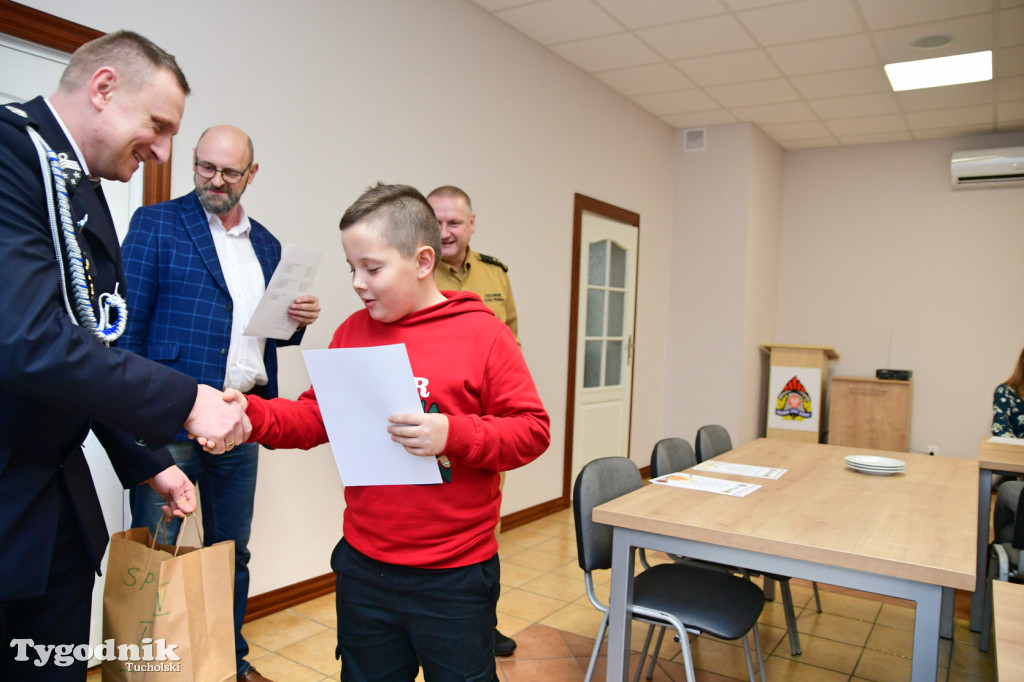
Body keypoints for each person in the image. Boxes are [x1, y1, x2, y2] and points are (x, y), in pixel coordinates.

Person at [0, 30, 249, 680]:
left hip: (54, 507)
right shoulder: (9, 152)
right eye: (158, 126)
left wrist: (148, 463)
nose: (163, 151)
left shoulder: (80, 187)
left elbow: (90, 343)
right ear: (104, 88)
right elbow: (30, 340)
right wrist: (187, 400)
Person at [227, 183, 550, 681]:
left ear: (422, 261)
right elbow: (316, 417)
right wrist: (250, 415)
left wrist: (452, 434)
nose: (358, 283)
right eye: (351, 268)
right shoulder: (352, 332)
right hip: (365, 568)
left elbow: (531, 430)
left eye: (372, 269)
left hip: (454, 576)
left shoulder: (484, 334)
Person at [122, 125, 321, 682]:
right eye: (205, 167)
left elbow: (262, 335)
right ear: (194, 162)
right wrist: (134, 421)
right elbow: (128, 332)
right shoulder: (156, 224)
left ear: (251, 175)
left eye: (230, 171)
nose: (215, 180)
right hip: (169, 422)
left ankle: (228, 662)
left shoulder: (269, 246)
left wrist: (297, 322)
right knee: (156, 553)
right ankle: (148, 673)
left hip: (242, 421)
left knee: (231, 552)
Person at [427, 185, 520, 655]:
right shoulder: (417, 272)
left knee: (487, 530)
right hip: (431, 426)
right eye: (437, 222)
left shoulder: (494, 274)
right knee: (439, 528)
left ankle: (484, 624)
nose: (445, 232)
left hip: (485, 430)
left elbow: (512, 344)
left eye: (454, 223)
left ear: (472, 224)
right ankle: (434, 625)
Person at [992, 346, 1024, 543]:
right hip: (1016, 466)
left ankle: (999, 550)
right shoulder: (1006, 392)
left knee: (1006, 490)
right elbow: (1001, 430)